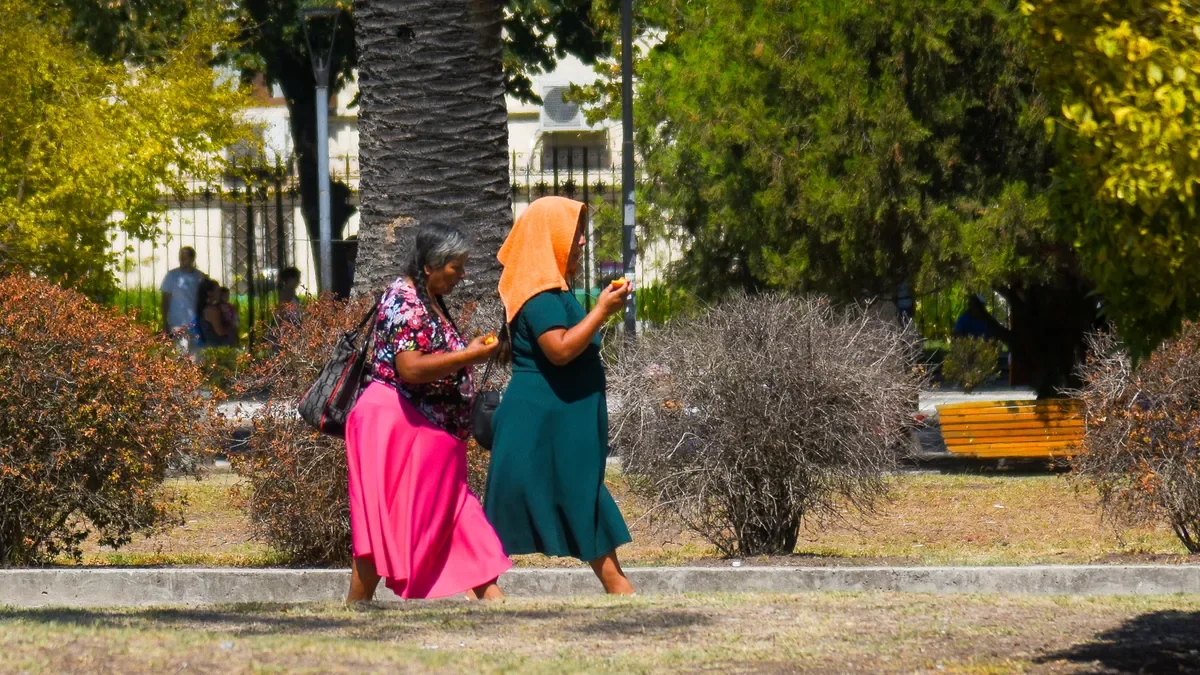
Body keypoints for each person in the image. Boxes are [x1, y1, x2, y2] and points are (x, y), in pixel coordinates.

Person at [343, 221, 510, 602]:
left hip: (427, 429)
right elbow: (410, 368)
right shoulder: (405, 299)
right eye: (457, 266)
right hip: (400, 425)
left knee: (455, 513)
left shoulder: (425, 296)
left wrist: (467, 350)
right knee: (386, 524)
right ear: (432, 265)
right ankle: (356, 609)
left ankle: (493, 602)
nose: (462, 275)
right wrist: (470, 354)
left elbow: (433, 356)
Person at [484, 196, 636, 595]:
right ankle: (480, 586)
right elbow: (561, 349)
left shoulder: (554, 290)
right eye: (575, 234)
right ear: (548, 238)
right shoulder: (540, 295)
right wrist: (602, 310)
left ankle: (617, 585)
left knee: (581, 492)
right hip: (540, 419)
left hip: (562, 416)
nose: (583, 242)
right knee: (517, 500)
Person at [160, 247, 204, 351]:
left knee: (196, 358)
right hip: (177, 323)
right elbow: (165, 299)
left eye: (185, 258)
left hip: (196, 323)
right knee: (182, 354)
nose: (182, 261)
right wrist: (165, 322)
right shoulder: (172, 275)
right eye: (181, 258)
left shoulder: (199, 276)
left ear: (193, 259)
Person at [196, 278, 236, 349]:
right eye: (217, 290)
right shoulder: (212, 310)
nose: (220, 293)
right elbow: (220, 331)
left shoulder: (210, 307)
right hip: (217, 348)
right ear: (209, 293)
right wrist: (232, 326)